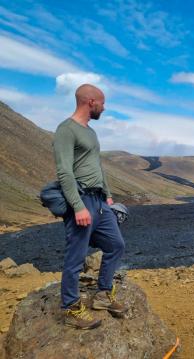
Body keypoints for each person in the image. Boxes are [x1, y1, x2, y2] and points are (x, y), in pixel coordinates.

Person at [53, 84, 127, 330]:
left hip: (100, 202)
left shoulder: (91, 133)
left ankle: (103, 295)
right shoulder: (66, 130)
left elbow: (97, 166)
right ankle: (70, 309)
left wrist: (107, 195)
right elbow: (64, 172)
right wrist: (77, 206)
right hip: (82, 201)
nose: (104, 108)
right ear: (90, 102)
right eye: (102, 103)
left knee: (116, 245)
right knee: (75, 257)